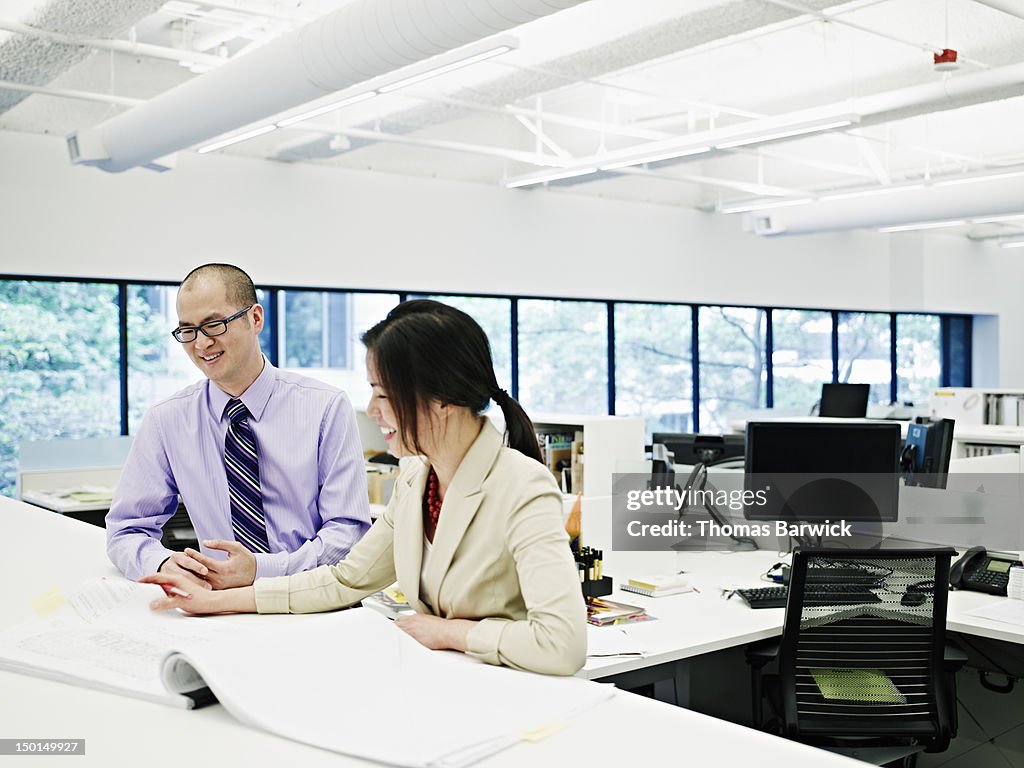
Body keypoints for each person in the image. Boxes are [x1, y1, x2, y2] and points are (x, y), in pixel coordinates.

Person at [144, 300, 587, 676]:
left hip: (513, 699)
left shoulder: (522, 486)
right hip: (444, 684)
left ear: (442, 399)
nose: (372, 410)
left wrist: (448, 631)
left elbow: (562, 644)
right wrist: (217, 602)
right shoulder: (417, 478)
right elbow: (344, 580)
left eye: (382, 392)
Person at [107, 263, 371, 589]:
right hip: (218, 605)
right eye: (187, 330)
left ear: (255, 318)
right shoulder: (167, 420)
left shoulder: (325, 407)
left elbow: (349, 535)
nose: (201, 344)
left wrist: (262, 570)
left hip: (312, 599)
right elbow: (126, 530)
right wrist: (164, 563)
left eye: (214, 325)